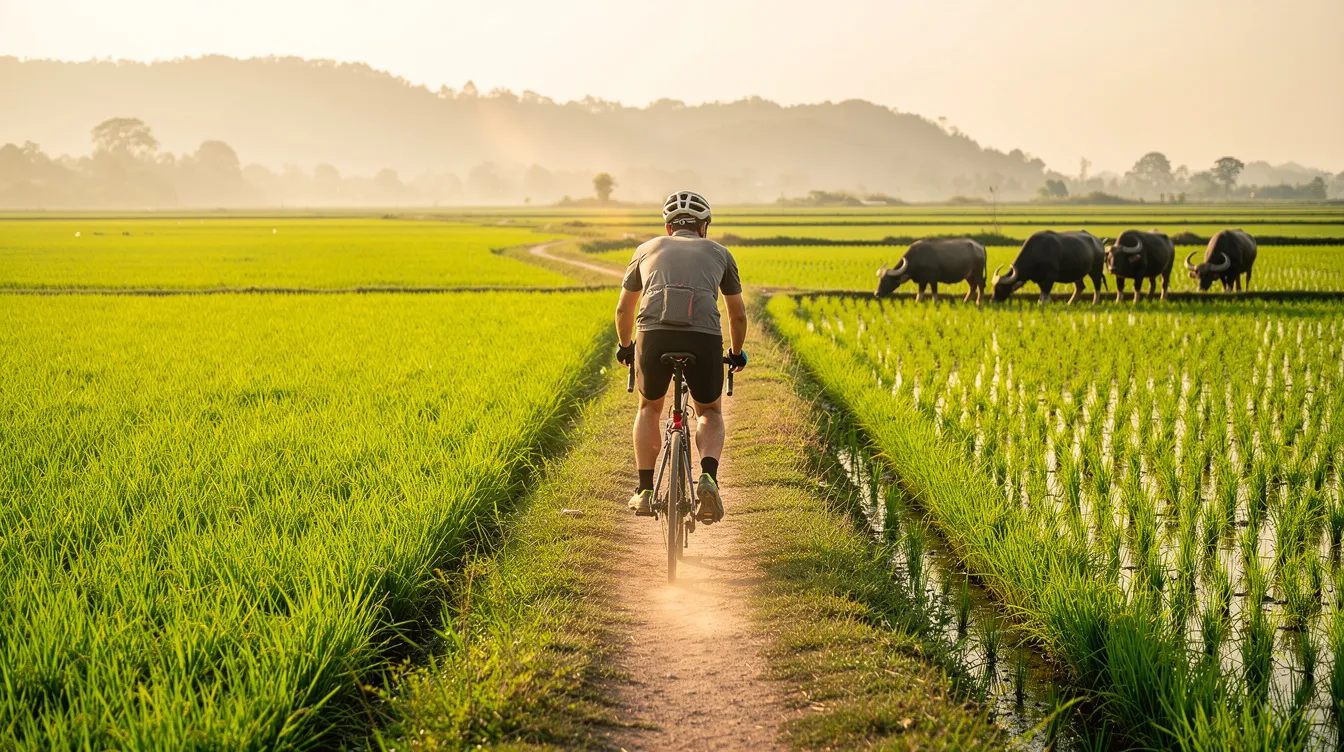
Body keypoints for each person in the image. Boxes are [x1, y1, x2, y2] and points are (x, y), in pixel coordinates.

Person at [614, 190, 748, 523]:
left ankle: (645, 490)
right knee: (710, 411)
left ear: (669, 227)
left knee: (649, 407)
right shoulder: (720, 252)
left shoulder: (646, 249)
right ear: (704, 226)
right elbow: (737, 315)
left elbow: (623, 308)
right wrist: (734, 353)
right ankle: (708, 476)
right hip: (703, 337)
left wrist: (627, 346)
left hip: (654, 336)